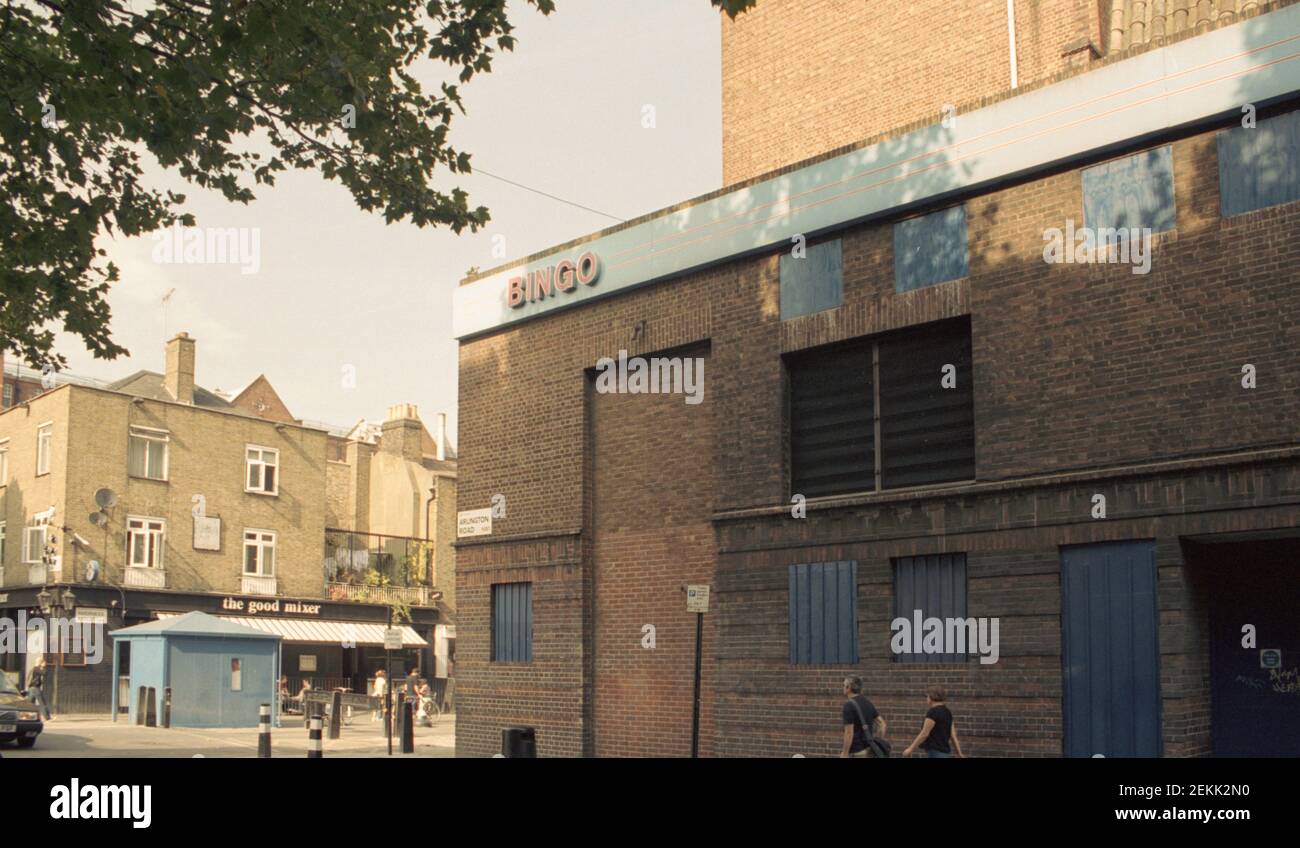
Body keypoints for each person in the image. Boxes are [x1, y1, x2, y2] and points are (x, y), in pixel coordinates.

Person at [902, 685, 964, 758]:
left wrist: (910, 749)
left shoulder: (933, 712)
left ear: (932, 697)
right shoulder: (948, 712)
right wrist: (959, 753)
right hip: (945, 753)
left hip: (935, 753)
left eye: (927, 696)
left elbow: (924, 733)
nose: (926, 699)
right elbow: (953, 735)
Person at [840, 676, 884, 758]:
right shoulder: (867, 702)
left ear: (848, 687)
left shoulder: (848, 706)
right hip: (869, 750)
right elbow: (882, 724)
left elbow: (849, 733)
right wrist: (877, 742)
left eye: (844, 685)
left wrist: (845, 754)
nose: (843, 688)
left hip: (856, 752)